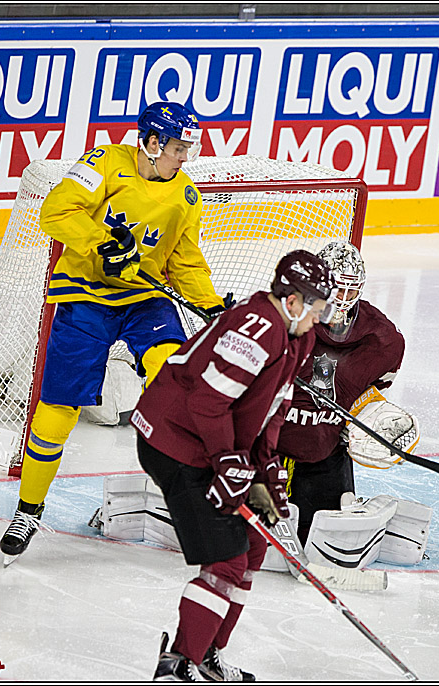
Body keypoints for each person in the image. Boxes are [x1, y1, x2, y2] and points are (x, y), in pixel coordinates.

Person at [0, 101, 228, 564]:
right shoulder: (103, 162)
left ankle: (184, 495)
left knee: (173, 375)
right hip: (84, 296)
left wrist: (211, 305)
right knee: (57, 410)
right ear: (151, 143)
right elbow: (56, 211)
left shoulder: (186, 196)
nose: (185, 157)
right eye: (178, 148)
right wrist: (102, 240)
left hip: (144, 299)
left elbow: (184, 261)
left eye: (189, 148)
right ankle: (28, 510)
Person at [132, 250, 336, 681]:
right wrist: (227, 461)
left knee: (255, 543)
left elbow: (272, 409)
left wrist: (265, 467)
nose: (322, 317)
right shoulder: (257, 328)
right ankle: (178, 664)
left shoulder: (299, 337)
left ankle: (207, 653)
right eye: (318, 307)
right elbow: (208, 402)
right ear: (293, 302)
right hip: (173, 440)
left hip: (209, 442)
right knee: (227, 559)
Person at [273, 241, 407, 547]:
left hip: (324, 445)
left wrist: (367, 420)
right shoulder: (285, 317)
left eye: (352, 290)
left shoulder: (383, 339)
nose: (344, 299)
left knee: (324, 534)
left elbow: (372, 393)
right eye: (338, 289)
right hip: (270, 440)